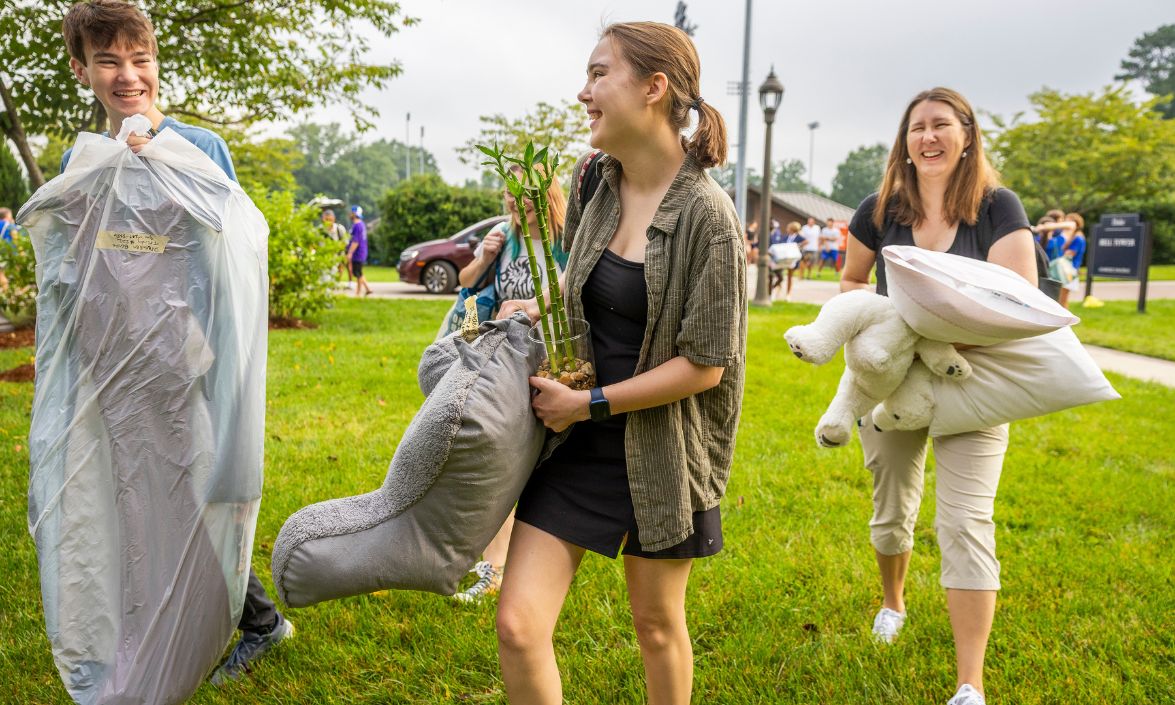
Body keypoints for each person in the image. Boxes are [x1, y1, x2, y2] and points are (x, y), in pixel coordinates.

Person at [493, 21, 745, 704]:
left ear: (654, 88)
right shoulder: (594, 184)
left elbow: (705, 366)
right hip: (572, 441)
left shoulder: (709, 219)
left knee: (655, 624)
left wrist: (590, 402)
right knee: (517, 624)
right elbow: (580, 302)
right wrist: (526, 330)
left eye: (599, 74)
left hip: (659, 449)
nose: (583, 92)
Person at [60, 0, 293, 686]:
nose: (127, 75)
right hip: (113, 360)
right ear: (82, 71)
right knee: (135, 495)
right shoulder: (84, 155)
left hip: (189, 357)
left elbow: (236, 258)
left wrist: (159, 166)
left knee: (199, 493)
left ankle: (258, 620)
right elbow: (80, 262)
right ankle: (155, 621)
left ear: (156, 64)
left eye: (140, 59)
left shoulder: (201, 147)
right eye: (108, 61)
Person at [840, 87, 1038, 705]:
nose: (927, 137)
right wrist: (871, 331)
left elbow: (1020, 299)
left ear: (967, 135)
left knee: (966, 522)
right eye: (916, 127)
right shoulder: (880, 210)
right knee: (892, 508)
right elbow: (850, 279)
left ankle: (969, 684)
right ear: (905, 140)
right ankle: (893, 602)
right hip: (895, 384)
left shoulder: (997, 207)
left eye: (941, 126)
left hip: (974, 386)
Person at [451, 163, 569, 603]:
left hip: (548, 359)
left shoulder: (565, 239)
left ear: (544, 194)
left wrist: (537, 304)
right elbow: (467, 284)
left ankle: (519, 562)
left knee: (532, 464)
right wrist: (483, 256)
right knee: (496, 459)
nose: (514, 203)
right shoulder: (506, 235)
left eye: (523, 195)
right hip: (500, 359)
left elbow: (574, 288)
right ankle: (493, 565)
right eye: (509, 194)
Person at [769, 221, 805, 301]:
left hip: (792, 259)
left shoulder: (799, 237)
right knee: (780, 275)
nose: (787, 229)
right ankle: (777, 290)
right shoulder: (785, 237)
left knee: (790, 276)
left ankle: (788, 294)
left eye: (788, 228)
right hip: (783, 258)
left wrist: (798, 246)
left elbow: (805, 241)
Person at [322, 208, 351, 285]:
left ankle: (336, 284)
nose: (328, 221)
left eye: (330, 219)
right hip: (325, 256)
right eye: (326, 219)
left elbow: (345, 242)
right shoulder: (321, 230)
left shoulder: (339, 228)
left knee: (339, 270)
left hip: (338, 254)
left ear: (334, 219)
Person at [347, 205, 372, 297]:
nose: (349, 214)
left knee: (357, 273)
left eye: (351, 212)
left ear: (354, 213)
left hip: (358, 253)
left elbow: (356, 241)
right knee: (359, 272)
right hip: (361, 252)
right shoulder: (361, 224)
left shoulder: (357, 225)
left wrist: (350, 252)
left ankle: (358, 293)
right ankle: (368, 289)